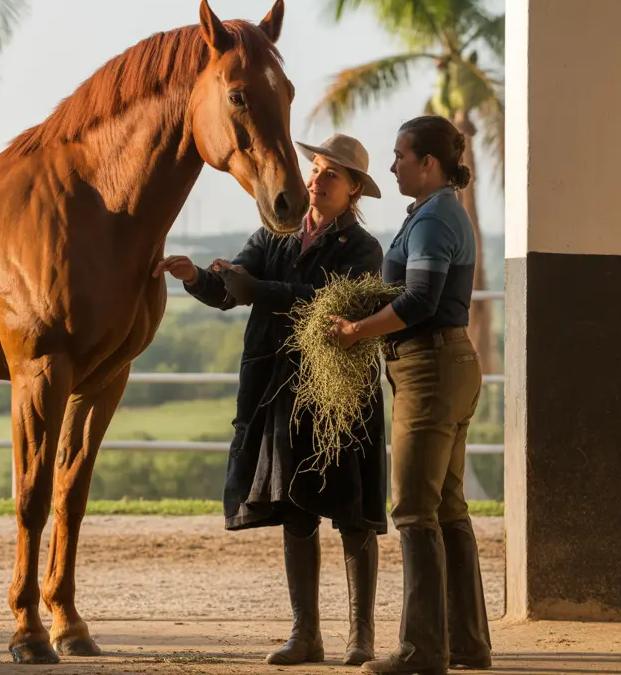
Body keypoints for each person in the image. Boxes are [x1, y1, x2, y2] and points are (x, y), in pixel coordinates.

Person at [155, 133, 388, 666]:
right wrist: (196, 278)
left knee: (353, 514)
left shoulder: (362, 248)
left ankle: (361, 637)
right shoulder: (275, 232)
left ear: (353, 190)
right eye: (316, 170)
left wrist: (257, 289)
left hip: (341, 395)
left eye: (332, 174)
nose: (316, 180)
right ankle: (305, 634)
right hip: (280, 389)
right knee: (296, 507)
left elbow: (325, 305)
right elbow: (232, 287)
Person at [328, 115, 492, 675]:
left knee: (415, 511)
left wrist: (356, 330)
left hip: (428, 367)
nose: (392, 164)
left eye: (400, 156)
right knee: (447, 506)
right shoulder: (438, 212)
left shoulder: (433, 219)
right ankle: (468, 642)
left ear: (428, 163)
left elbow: (420, 299)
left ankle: (422, 650)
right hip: (446, 364)